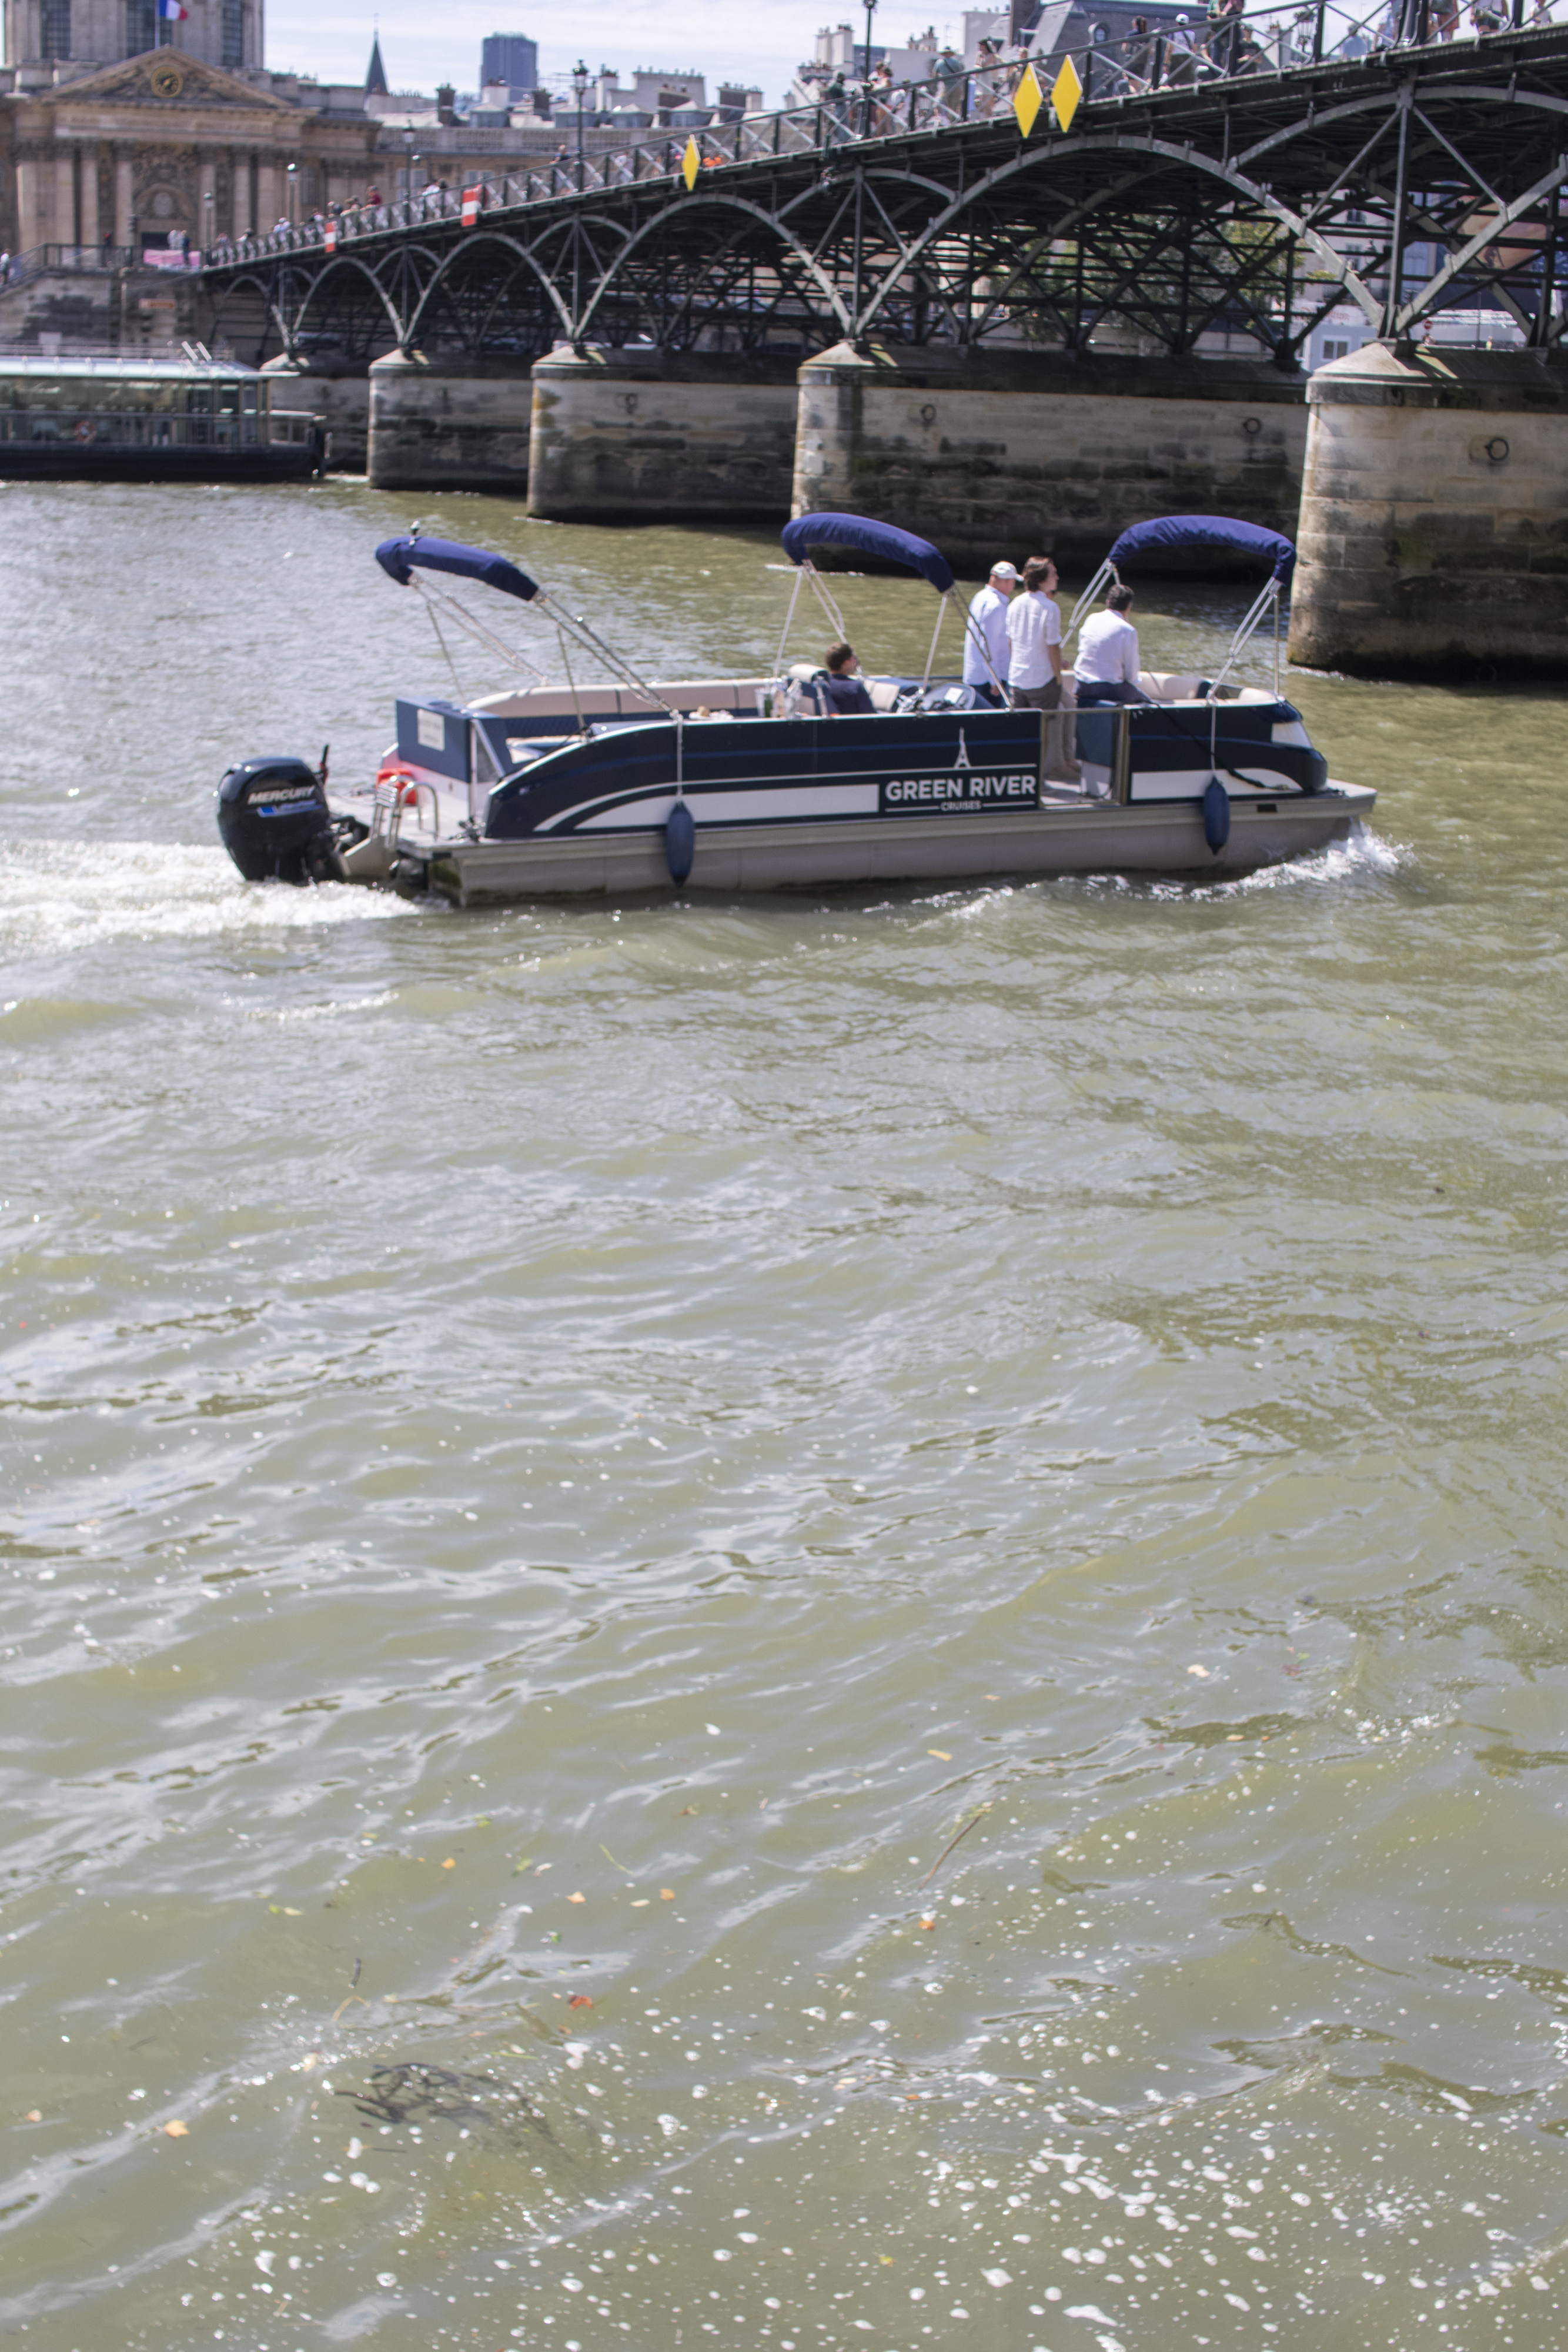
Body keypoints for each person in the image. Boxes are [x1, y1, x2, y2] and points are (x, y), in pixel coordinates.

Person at [1074, 584, 1150, 704]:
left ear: (1108, 601)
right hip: (1109, 690)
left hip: (1081, 686)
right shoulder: (1128, 630)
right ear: (1129, 606)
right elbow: (1131, 674)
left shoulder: (1091, 619)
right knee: (1148, 703)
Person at [1005, 556, 1064, 709]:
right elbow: (1053, 647)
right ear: (1041, 580)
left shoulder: (1014, 604)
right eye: (1053, 574)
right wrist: (1058, 678)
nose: (1057, 577)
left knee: (1023, 729)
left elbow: (1011, 642)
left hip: (1017, 679)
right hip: (1042, 681)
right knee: (1045, 727)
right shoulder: (1050, 607)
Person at [962, 561, 1018, 703]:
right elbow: (988, 645)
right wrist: (995, 680)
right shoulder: (996, 606)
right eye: (1013, 582)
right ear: (1006, 582)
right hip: (987, 680)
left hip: (977, 674)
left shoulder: (981, 596)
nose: (1014, 586)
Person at [820, 642, 875, 714]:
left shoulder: (822, 685)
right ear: (846, 664)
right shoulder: (856, 687)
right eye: (853, 659)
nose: (856, 662)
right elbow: (872, 716)